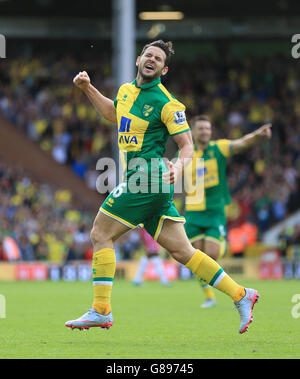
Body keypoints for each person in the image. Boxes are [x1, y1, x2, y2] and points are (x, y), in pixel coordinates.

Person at [65, 40, 259, 334]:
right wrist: (88, 89)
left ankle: (101, 310)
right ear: (138, 59)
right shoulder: (126, 91)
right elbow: (113, 114)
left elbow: (187, 145)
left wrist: (178, 168)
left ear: (164, 69)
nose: (152, 60)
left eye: (158, 59)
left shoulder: (168, 103)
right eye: (148, 55)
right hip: (143, 181)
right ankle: (241, 294)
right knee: (183, 252)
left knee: (100, 233)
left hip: (148, 178)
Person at [184, 115, 271, 308]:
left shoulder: (219, 148)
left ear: (211, 131)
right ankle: (209, 296)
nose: (205, 131)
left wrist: (257, 134)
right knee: (195, 256)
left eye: (207, 128)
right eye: (201, 128)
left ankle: (223, 246)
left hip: (215, 211)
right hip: (193, 212)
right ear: (193, 131)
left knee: (212, 253)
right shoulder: (187, 153)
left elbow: (241, 143)